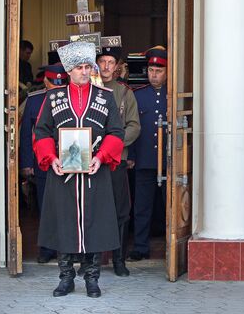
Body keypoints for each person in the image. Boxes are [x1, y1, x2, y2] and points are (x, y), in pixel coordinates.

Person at [33, 41, 125, 298]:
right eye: (79, 67)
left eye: (88, 66)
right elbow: (41, 132)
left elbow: (116, 132)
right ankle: (66, 278)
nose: (85, 72)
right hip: (62, 173)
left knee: (94, 224)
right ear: (69, 70)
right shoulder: (53, 98)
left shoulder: (105, 97)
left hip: (96, 172)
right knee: (64, 224)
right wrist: (50, 158)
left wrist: (102, 156)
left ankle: (92, 279)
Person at [93, 46, 141, 276]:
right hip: (89, 161)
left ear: (117, 66)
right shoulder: (88, 89)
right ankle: (90, 261)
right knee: (91, 210)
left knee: (120, 212)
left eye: (110, 62)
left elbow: (134, 125)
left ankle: (119, 260)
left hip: (114, 161)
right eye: (102, 61)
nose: (106, 66)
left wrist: (114, 147)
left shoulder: (123, 93)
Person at [19, 63, 68, 264]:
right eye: (53, 84)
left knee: (66, 207)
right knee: (45, 207)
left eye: (61, 84)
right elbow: (25, 135)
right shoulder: (35, 100)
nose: (57, 88)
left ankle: (66, 248)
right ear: (45, 81)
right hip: (43, 162)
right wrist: (27, 163)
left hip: (68, 160)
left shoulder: (71, 97)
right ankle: (47, 249)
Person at [128, 46, 168, 261]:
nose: (154, 74)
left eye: (159, 71)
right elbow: (133, 127)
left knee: (170, 206)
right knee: (142, 207)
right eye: (151, 70)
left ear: (168, 71)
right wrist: (132, 156)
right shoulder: (138, 95)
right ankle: (141, 246)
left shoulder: (174, 95)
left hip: (170, 161)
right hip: (144, 160)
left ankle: (173, 246)